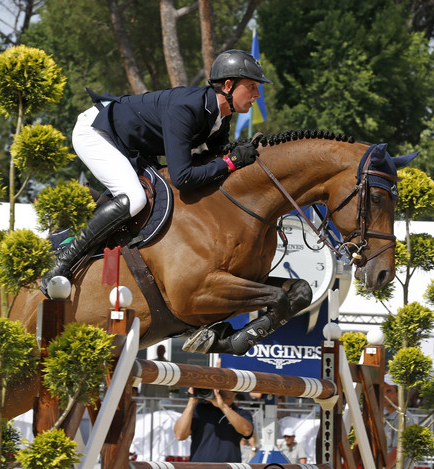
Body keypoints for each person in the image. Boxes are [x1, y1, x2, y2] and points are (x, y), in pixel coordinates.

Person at [41, 50, 270, 293]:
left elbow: (217, 155)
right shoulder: (187, 108)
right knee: (135, 198)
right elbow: (183, 177)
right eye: (252, 86)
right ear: (227, 85)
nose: (257, 94)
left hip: (129, 142)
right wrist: (232, 161)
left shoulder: (221, 115)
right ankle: (61, 263)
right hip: (97, 132)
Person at [174, 388, 254, 469]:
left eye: (226, 386)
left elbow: (247, 431)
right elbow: (180, 435)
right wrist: (191, 401)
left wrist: (222, 406)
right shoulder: (199, 410)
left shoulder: (241, 413)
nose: (220, 389)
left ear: (235, 392)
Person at [383, 374, 417, 469]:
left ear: (399, 393)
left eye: (389, 391)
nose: (384, 395)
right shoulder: (385, 415)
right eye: (382, 391)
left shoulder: (403, 417)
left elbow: (398, 451)